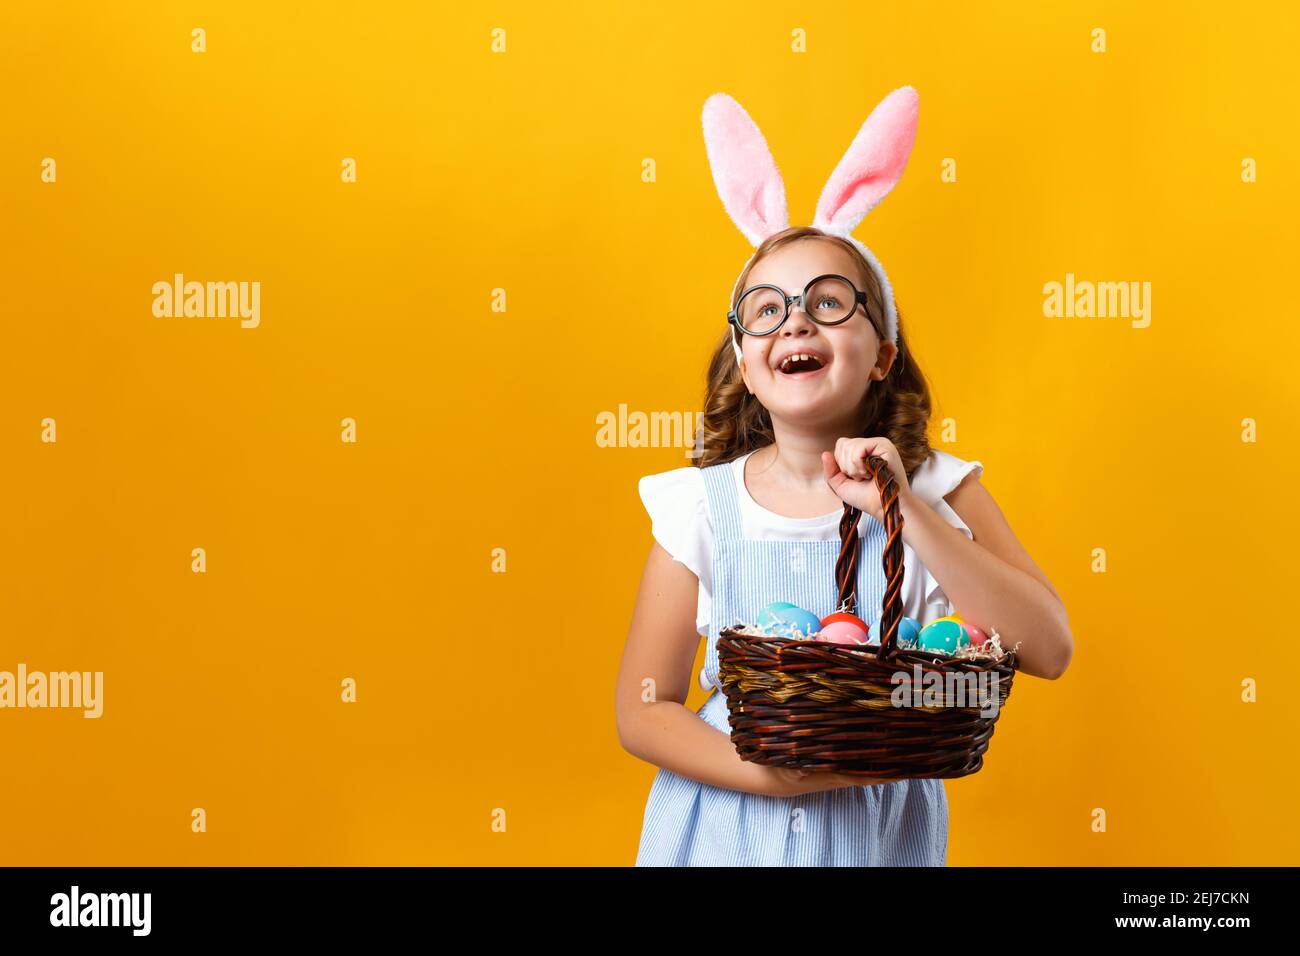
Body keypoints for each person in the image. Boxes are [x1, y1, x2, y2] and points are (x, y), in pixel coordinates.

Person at [615, 87, 1072, 866]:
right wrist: (773, 778)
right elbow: (642, 710)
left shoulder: (941, 489)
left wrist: (909, 510)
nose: (795, 320)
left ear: (883, 354)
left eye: (830, 303)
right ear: (747, 368)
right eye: (767, 309)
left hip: (878, 837)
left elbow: (1048, 648)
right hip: (726, 826)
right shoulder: (700, 505)